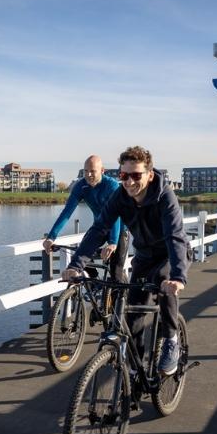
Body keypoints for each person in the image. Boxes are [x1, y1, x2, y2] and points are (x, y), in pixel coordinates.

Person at [62, 146, 190, 375]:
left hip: (169, 254)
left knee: (164, 283)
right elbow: (99, 228)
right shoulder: (120, 197)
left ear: (149, 175)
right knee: (133, 314)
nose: (129, 182)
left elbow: (175, 236)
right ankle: (135, 369)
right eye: (124, 176)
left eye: (135, 175)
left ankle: (171, 340)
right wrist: (76, 264)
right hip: (143, 256)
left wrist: (178, 277)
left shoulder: (165, 196)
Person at [43, 155, 128, 282]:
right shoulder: (81, 186)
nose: (88, 175)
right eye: (86, 171)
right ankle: (94, 283)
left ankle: (120, 298)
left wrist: (113, 243)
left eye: (92, 171)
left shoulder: (112, 186)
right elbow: (67, 212)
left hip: (120, 228)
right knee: (81, 251)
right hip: (100, 226)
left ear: (102, 171)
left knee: (116, 273)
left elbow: (116, 215)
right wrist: (51, 237)